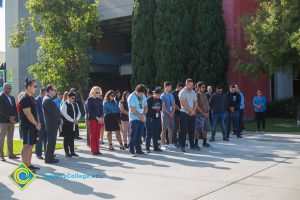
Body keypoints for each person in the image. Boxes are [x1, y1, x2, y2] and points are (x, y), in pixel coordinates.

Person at [20, 78, 41, 171]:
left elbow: (35, 112)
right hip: (28, 127)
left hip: (33, 126)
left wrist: (38, 122)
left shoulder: (31, 98)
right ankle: (24, 168)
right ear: (29, 87)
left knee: (31, 145)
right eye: (34, 86)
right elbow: (28, 114)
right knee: (27, 146)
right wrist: (36, 124)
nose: (36, 88)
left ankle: (28, 165)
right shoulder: (24, 98)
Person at [0, 83, 19, 161]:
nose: (10, 90)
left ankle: (10, 154)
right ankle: (1, 155)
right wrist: (9, 117)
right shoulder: (1, 97)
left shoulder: (12, 97)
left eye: (11, 88)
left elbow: (15, 109)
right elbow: (1, 109)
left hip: (12, 121)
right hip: (3, 121)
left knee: (10, 138)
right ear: (4, 88)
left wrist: (14, 118)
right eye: (8, 88)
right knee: (2, 138)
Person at [128, 84, 148, 157]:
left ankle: (138, 150)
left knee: (139, 135)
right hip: (134, 119)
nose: (142, 95)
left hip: (142, 118)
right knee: (133, 135)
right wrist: (140, 116)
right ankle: (131, 151)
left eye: (143, 93)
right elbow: (132, 109)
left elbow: (146, 106)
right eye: (141, 93)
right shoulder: (131, 97)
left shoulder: (143, 96)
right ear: (137, 91)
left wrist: (144, 114)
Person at [179, 79, 198, 152]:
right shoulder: (182, 92)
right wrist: (191, 110)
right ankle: (182, 146)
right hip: (184, 113)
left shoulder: (193, 92)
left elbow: (196, 102)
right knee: (183, 130)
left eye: (192, 85)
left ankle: (192, 145)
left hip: (192, 113)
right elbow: (183, 104)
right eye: (190, 85)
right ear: (186, 84)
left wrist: (193, 110)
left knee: (192, 129)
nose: (192, 86)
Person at [43, 85, 60, 164]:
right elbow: (54, 113)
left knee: (51, 141)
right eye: (54, 90)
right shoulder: (47, 100)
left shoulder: (48, 99)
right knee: (51, 141)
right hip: (51, 124)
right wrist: (60, 120)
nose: (56, 92)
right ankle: (49, 158)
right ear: (50, 90)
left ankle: (50, 155)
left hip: (52, 124)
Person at [60, 91, 81, 157]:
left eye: (74, 98)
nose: (73, 99)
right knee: (66, 138)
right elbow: (64, 114)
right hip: (67, 124)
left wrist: (76, 119)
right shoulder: (65, 104)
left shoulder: (75, 104)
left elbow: (79, 113)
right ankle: (67, 152)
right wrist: (72, 120)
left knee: (72, 138)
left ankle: (72, 152)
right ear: (68, 97)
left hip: (74, 124)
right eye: (72, 98)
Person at [145, 88, 163, 153]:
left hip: (157, 118)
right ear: (154, 93)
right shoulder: (149, 100)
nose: (159, 96)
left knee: (156, 133)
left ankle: (156, 147)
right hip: (149, 118)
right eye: (158, 95)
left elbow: (160, 109)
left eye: (160, 95)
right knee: (149, 133)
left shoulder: (160, 100)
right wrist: (150, 116)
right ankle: (147, 148)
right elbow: (146, 110)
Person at [87, 86, 104, 155]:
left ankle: (97, 149)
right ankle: (94, 150)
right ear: (93, 91)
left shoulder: (99, 100)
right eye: (97, 92)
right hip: (93, 119)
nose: (98, 94)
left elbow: (101, 110)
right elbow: (90, 111)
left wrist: (101, 117)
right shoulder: (89, 99)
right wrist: (97, 118)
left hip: (99, 119)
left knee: (97, 135)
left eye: (99, 92)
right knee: (93, 135)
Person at [195, 82, 211, 148]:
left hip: (206, 115)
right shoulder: (197, 95)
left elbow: (207, 105)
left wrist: (208, 113)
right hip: (199, 115)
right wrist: (203, 113)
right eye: (203, 87)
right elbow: (196, 106)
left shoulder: (204, 95)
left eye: (204, 87)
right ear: (199, 88)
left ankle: (204, 142)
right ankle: (196, 143)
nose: (204, 88)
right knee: (198, 130)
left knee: (205, 129)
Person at [160, 81, 176, 149]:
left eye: (170, 86)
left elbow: (173, 104)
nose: (170, 88)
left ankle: (170, 143)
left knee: (170, 129)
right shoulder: (162, 95)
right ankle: (162, 144)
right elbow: (163, 106)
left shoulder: (171, 95)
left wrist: (172, 112)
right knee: (164, 129)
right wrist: (169, 113)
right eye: (169, 86)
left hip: (171, 114)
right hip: (165, 114)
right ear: (166, 87)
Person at [35, 87, 47, 160]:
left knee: (46, 138)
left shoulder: (46, 100)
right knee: (39, 139)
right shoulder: (37, 100)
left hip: (46, 122)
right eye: (45, 93)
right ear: (42, 93)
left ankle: (47, 152)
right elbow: (37, 113)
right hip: (40, 122)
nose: (46, 95)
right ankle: (38, 154)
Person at [171, 82, 184, 147]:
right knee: (175, 128)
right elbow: (173, 104)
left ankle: (180, 141)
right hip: (175, 113)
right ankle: (174, 142)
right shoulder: (173, 93)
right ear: (178, 87)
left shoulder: (182, 93)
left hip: (181, 113)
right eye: (181, 88)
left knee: (181, 128)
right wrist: (180, 109)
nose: (182, 90)